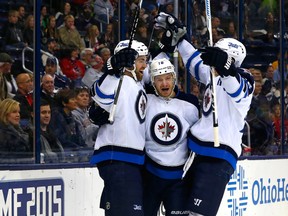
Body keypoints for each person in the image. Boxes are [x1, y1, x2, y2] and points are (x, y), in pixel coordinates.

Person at [154, 12, 255, 216]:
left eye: (218, 56)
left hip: (219, 157)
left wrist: (226, 68)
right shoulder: (213, 76)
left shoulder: (244, 79)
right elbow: (193, 62)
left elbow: (237, 89)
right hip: (195, 154)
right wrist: (180, 38)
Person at [89, 39, 148, 215]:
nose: (145, 65)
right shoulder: (117, 81)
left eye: (146, 60)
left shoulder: (138, 84)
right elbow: (100, 97)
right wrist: (112, 68)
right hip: (118, 157)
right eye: (141, 60)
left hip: (131, 160)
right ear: (129, 62)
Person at [144, 58, 199, 216]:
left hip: (179, 178)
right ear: (153, 82)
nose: (164, 83)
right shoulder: (145, 100)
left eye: (168, 78)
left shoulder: (190, 103)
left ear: (174, 78)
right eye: (159, 79)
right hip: (150, 174)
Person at [40, 99, 65, 163]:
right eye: (43, 112)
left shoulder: (52, 132)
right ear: (32, 114)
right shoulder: (32, 134)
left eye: (49, 112)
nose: (47, 116)